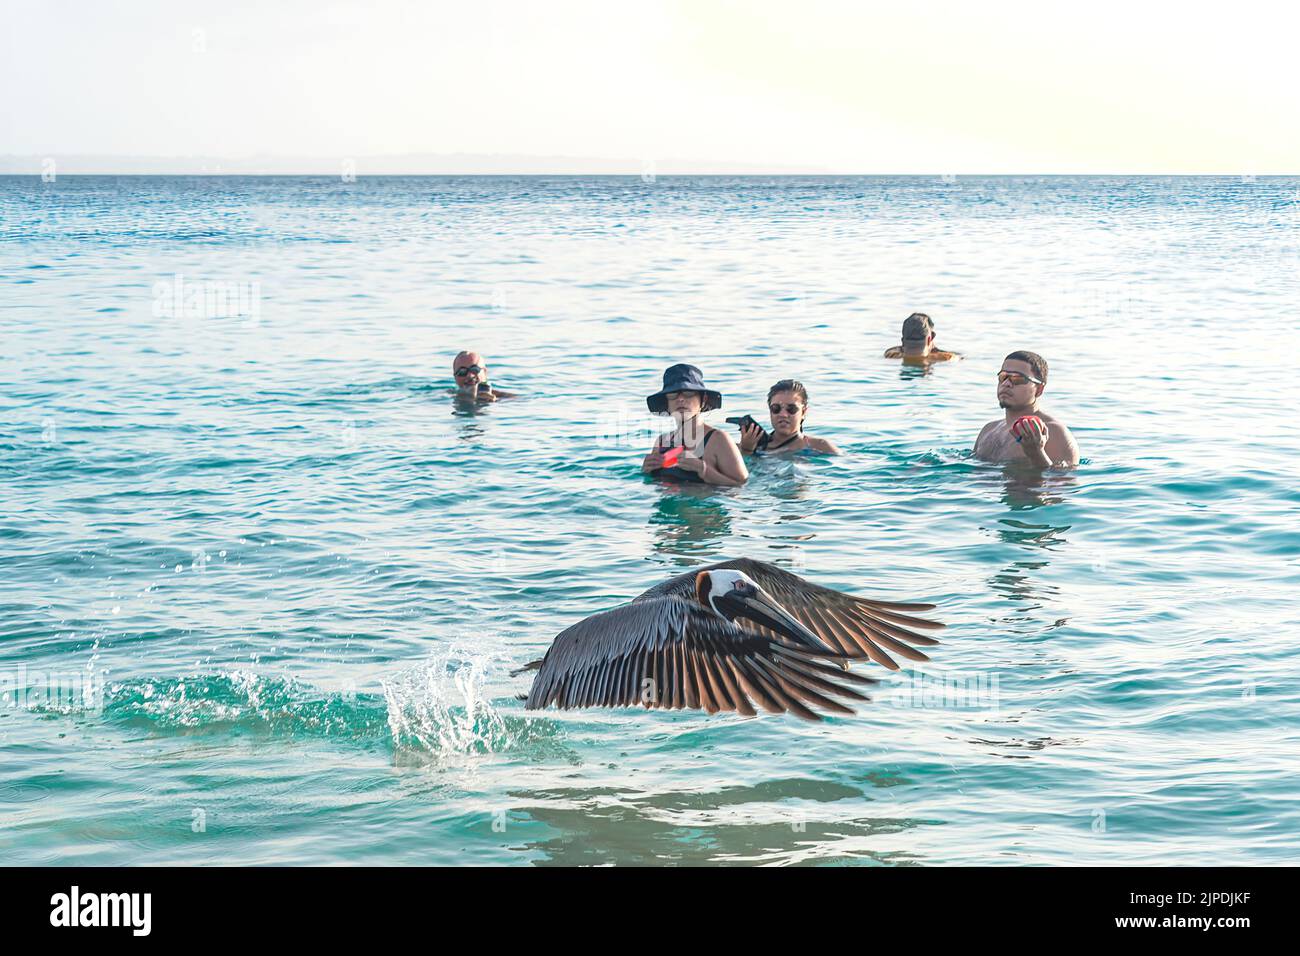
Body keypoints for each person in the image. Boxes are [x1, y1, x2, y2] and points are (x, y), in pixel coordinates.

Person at [641, 364, 748, 487]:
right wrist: (646, 470)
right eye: (672, 395)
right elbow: (654, 484)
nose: (680, 399)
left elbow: (741, 486)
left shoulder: (718, 439)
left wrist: (702, 469)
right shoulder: (662, 441)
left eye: (688, 393)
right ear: (667, 403)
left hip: (704, 504)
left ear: (703, 400)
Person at [974, 351, 1080, 468]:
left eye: (1017, 379)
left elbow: (1064, 482)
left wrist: (1036, 453)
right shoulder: (989, 429)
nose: (1006, 383)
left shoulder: (1055, 432)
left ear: (1039, 389)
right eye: (1003, 377)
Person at [738, 380, 840, 456]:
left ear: (803, 412)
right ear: (770, 410)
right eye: (776, 408)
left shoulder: (819, 446)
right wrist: (747, 451)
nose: (783, 414)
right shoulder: (749, 446)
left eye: (791, 409)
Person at [884, 313, 959, 362]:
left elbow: (892, 350)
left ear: (903, 341)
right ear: (930, 339)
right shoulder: (948, 358)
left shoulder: (890, 356)